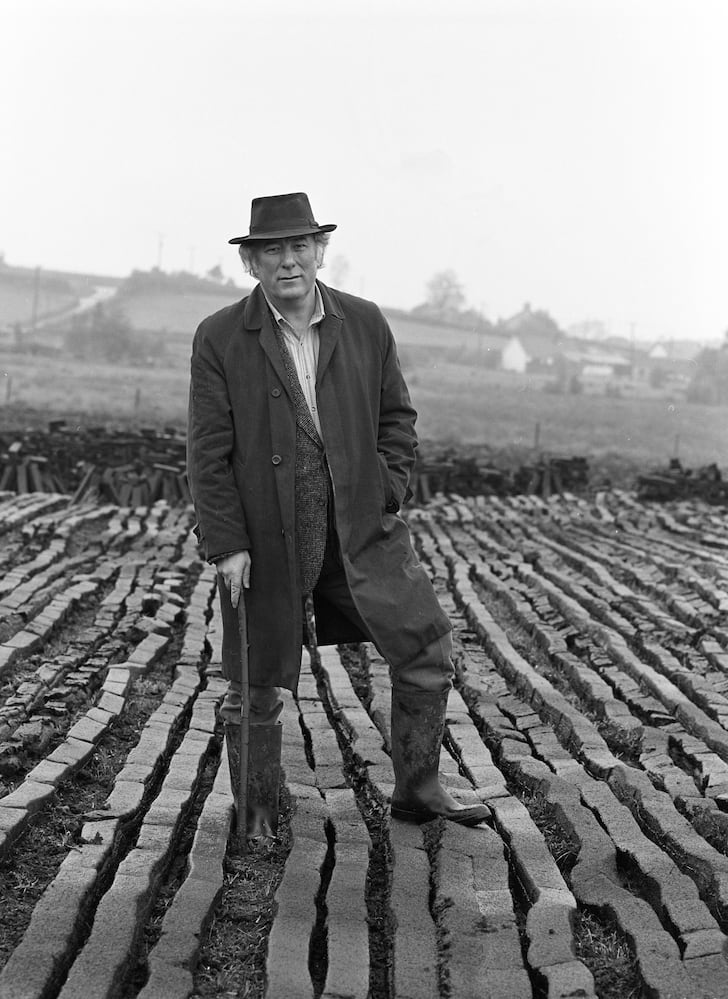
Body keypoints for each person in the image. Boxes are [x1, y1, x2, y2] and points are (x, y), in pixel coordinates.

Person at [187, 192, 490, 838]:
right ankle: (260, 808)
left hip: (360, 530)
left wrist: (385, 488)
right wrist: (228, 545)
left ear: (320, 251)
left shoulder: (366, 323)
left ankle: (420, 786)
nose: (288, 261)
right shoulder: (219, 338)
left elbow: (397, 420)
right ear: (251, 263)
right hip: (267, 541)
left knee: (425, 645)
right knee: (255, 678)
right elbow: (206, 454)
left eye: (299, 247)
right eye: (272, 250)